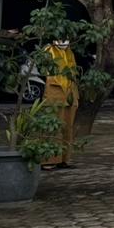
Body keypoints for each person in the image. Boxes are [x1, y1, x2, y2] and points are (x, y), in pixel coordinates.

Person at [42, 39, 79, 169]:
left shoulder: (70, 52)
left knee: (68, 128)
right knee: (52, 127)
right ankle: (48, 160)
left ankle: (64, 159)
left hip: (70, 93)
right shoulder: (48, 50)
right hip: (54, 92)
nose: (64, 41)